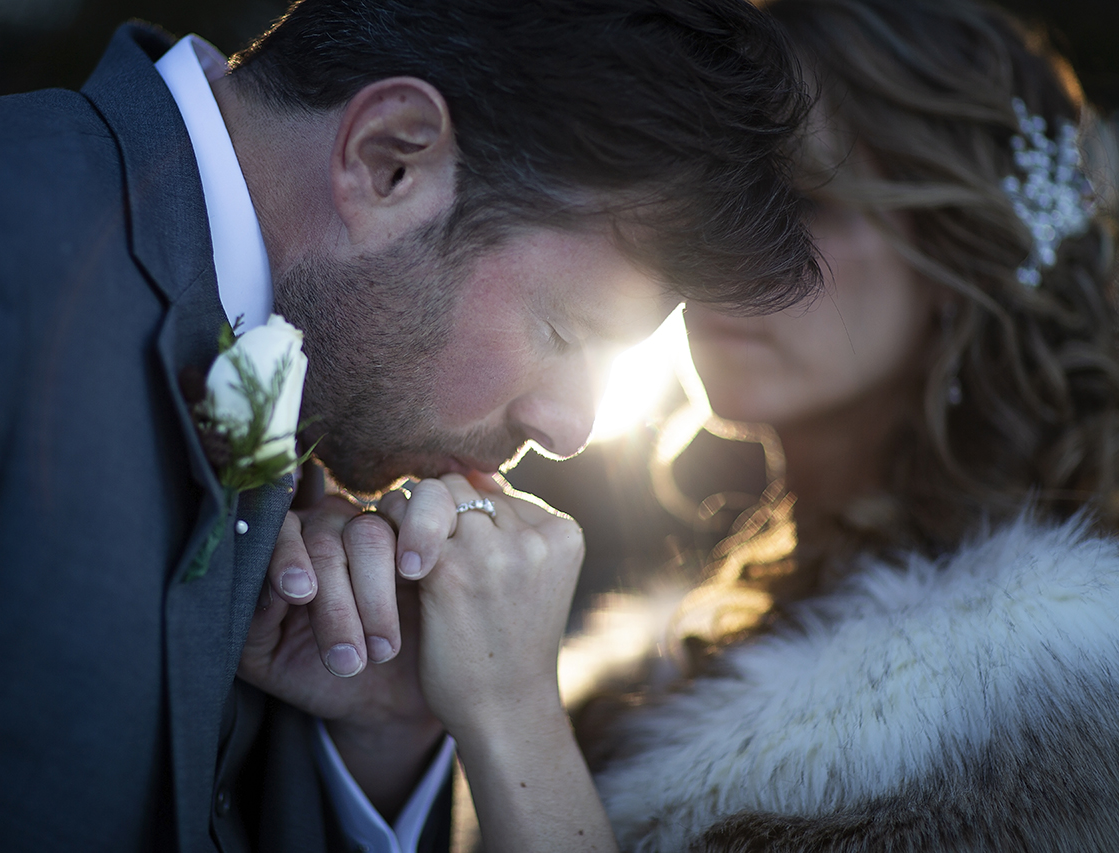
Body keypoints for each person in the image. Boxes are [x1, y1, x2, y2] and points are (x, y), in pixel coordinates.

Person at [0, 0, 821, 851]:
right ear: (388, 160)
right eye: (565, 329)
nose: (568, 428)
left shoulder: (308, 379)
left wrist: (381, 737)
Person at [286, 0, 1119, 848]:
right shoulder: (681, 626)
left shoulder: (1055, 697)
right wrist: (394, 724)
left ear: (957, 253)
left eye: (793, 205)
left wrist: (510, 714)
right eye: (707, 212)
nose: (726, 269)